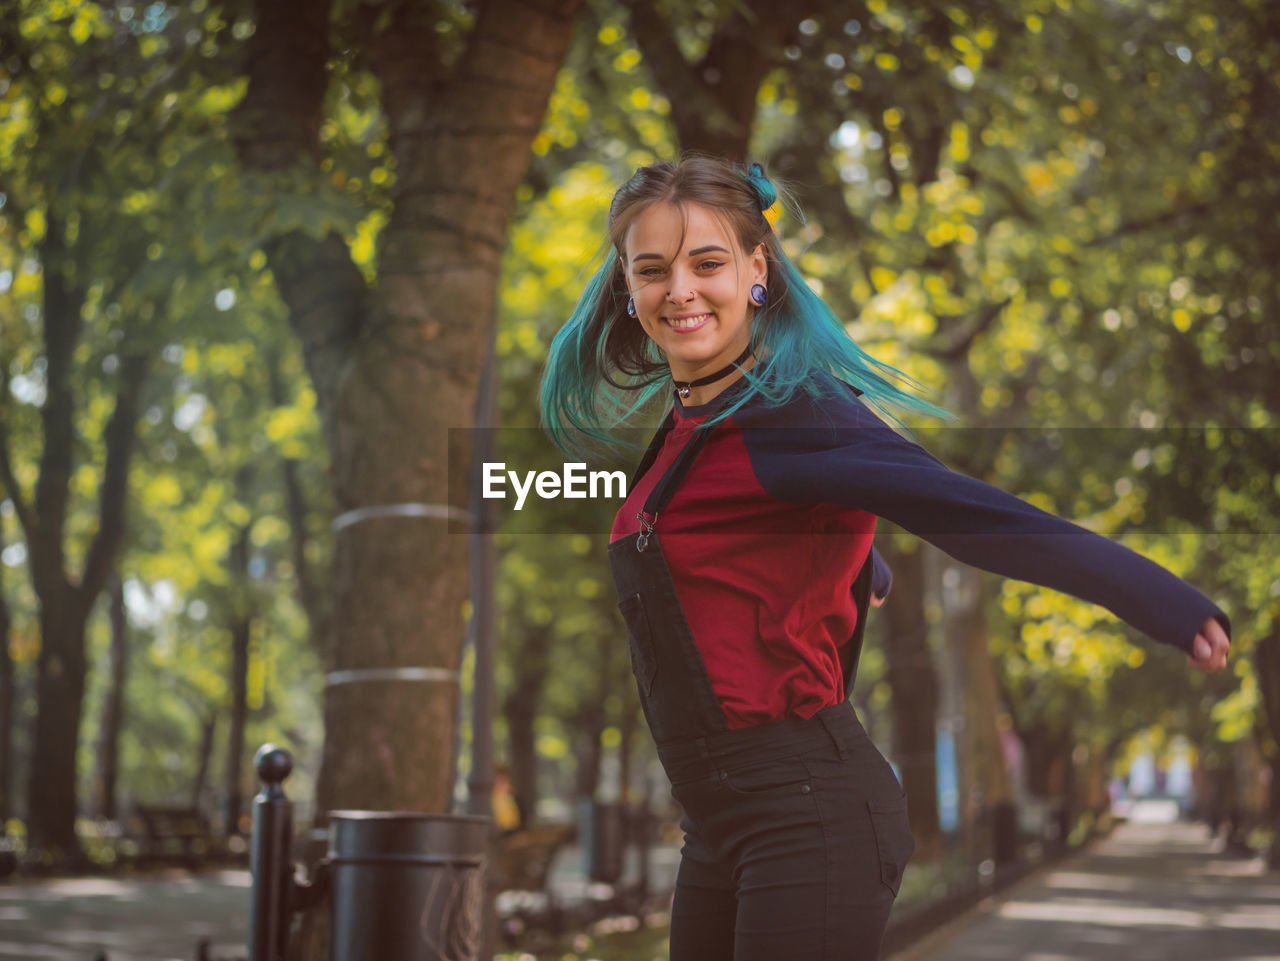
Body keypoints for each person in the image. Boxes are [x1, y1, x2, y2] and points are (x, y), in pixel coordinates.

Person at [538, 155, 1231, 961]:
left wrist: (1161, 600)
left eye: (708, 262)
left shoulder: (794, 416)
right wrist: (861, 566)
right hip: (715, 825)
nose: (680, 290)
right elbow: (732, 548)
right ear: (627, 285)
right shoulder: (686, 428)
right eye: (652, 269)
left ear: (757, 269)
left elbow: (973, 514)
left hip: (806, 816)